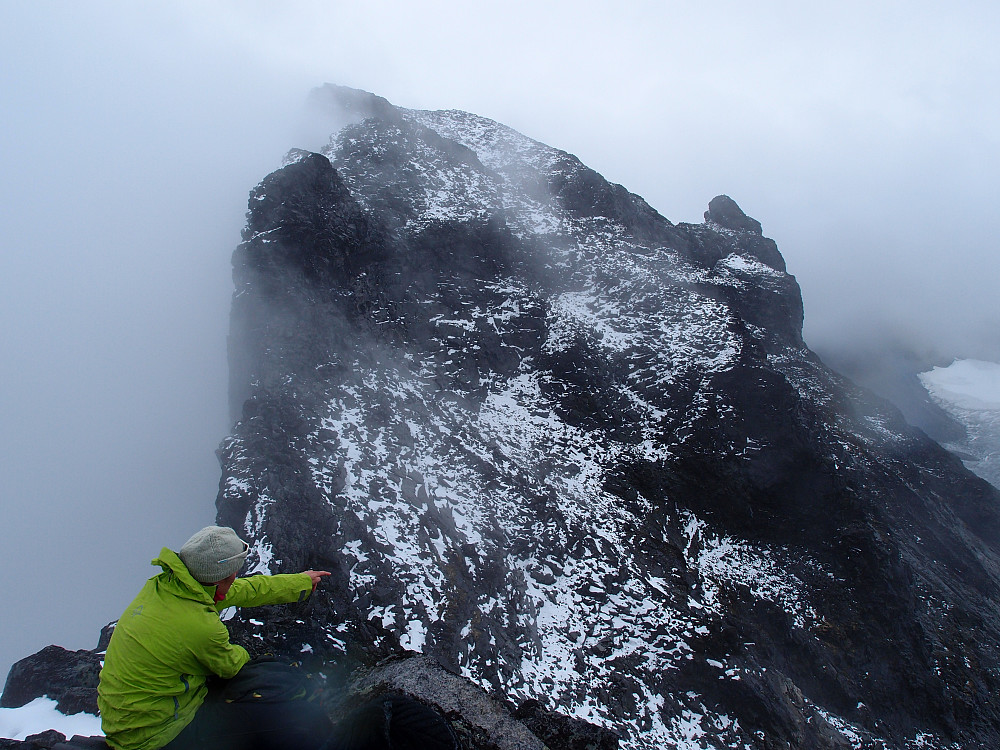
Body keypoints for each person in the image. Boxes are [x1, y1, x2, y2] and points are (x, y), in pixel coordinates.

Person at [97, 526, 332, 750]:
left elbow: (244, 590)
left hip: (131, 722)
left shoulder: (168, 587)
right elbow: (232, 666)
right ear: (216, 577)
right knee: (287, 710)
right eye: (230, 577)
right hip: (157, 736)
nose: (234, 580)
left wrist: (298, 583)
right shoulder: (198, 625)